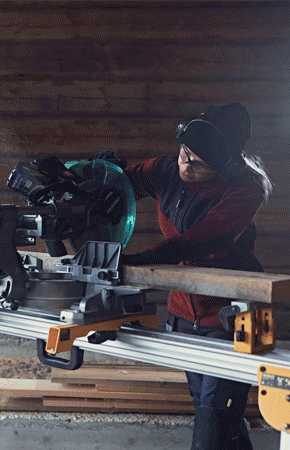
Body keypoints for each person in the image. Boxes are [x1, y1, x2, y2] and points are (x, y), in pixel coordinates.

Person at [120, 102, 272, 450]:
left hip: (232, 315)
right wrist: (97, 174)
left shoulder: (246, 187)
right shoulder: (165, 169)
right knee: (217, 418)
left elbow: (206, 238)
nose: (186, 166)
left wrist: (144, 261)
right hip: (184, 313)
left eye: (198, 164)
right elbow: (121, 184)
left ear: (225, 166)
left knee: (214, 420)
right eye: (184, 154)